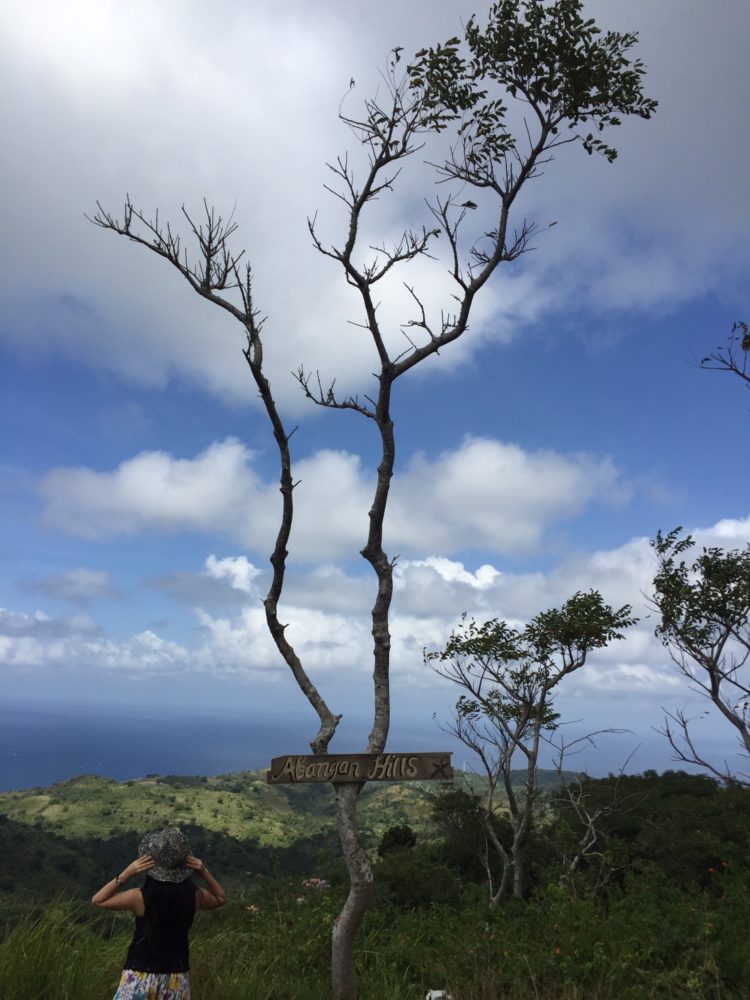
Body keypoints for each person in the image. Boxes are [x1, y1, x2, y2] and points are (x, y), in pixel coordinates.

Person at [92, 826, 227, 999]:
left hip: (140, 976)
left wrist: (126, 874)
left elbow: (98, 900)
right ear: (185, 864)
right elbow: (221, 898)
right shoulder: (195, 896)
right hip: (176, 979)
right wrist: (203, 871)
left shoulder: (139, 898)